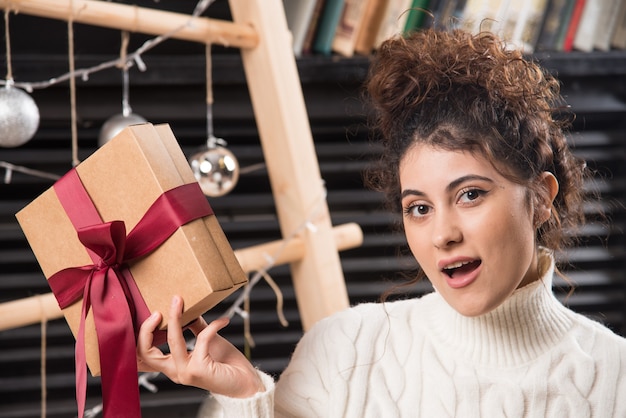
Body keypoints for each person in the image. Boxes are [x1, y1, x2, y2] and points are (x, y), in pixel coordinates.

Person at [137, 28, 626, 417]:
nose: (443, 233)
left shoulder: (614, 377)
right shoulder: (347, 349)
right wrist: (245, 393)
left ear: (540, 198)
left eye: (470, 194)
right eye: (420, 208)